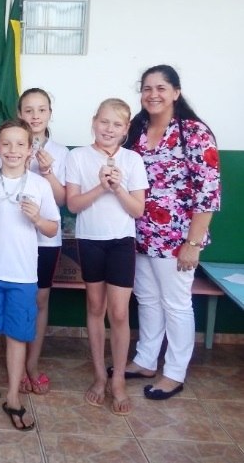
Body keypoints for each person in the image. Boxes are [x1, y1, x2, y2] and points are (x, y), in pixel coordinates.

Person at [122, 65, 220, 400]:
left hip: (178, 237)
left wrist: (193, 243)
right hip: (139, 232)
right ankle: (146, 360)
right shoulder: (137, 129)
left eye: (161, 88)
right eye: (147, 88)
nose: (153, 94)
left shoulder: (194, 132)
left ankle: (175, 372)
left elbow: (208, 192)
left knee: (176, 304)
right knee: (147, 299)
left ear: (176, 92)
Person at [0, 119, 59, 431]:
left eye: (20, 144)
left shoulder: (40, 185)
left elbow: (53, 228)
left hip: (23, 275)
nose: (13, 150)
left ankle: (14, 396)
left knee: (17, 334)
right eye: (6, 144)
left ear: (30, 149)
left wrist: (38, 218)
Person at [66, 99, 148, 415]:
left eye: (116, 124)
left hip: (122, 243)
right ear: (94, 122)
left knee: (119, 313)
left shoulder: (133, 160)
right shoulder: (78, 157)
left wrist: (117, 187)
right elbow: (73, 205)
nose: (109, 129)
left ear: (126, 129)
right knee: (95, 307)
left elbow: (137, 210)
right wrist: (100, 187)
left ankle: (118, 382)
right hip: (90, 241)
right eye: (104, 122)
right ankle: (100, 376)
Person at [0, 88, 68, 395]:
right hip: (11, 238)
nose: (35, 116)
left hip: (45, 241)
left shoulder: (62, 152)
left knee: (39, 301)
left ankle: (31, 365)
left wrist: (47, 170)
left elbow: (64, 200)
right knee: (11, 297)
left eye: (41, 110)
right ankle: (12, 363)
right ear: (19, 113)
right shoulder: (8, 145)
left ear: (50, 113)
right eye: (29, 110)